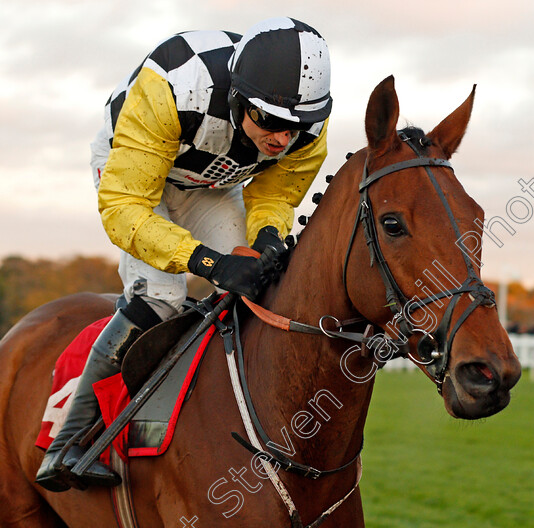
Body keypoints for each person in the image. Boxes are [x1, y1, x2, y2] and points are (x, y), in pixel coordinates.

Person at [36, 17, 332, 492]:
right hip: (134, 174)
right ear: (237, 97)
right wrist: (209, 262)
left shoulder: (304, 120)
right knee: (163, 294)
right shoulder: (174, 83)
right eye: (270, 123)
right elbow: (126, 208)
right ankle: (67, 442)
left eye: (296, 129)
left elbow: (275, 192)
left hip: (210, 184)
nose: (281, 139)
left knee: (260, 283)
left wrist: (268, 237)